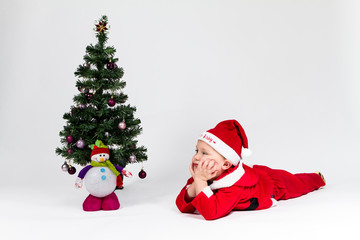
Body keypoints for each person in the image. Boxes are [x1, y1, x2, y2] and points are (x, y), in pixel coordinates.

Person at [175, 119, 326, 220]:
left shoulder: (234, 186)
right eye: (197, 151)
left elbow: (211, 212)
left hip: (271, 183)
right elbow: (183, 206)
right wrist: (197, 181)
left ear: (226, 165)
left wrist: (200, 180)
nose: (196, 157)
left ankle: (316, 178)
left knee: (297, 183)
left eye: (204, 153)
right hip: (253, 173)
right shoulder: (204, 175)